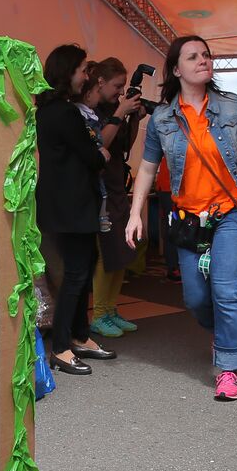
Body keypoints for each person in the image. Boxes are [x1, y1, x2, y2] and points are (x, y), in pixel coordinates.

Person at [126, 36, 237, 402]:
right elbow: (146, 168)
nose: (203, 60)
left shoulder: (231, 109)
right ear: (176, 70)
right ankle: (222, 335)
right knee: (195, 298)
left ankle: (229, 367)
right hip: (189, 219)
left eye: (206, 55)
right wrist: (135, 213)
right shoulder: (162, 118)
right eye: (193, 57)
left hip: (230, 214)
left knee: (225, 291)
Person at [35, 43, 117, 376]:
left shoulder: (50, 109)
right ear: (68, 72)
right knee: (75, 274)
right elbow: (92, 156)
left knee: (84, 268)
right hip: (70, 205)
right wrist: (101, 156)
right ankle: (62, 346)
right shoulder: (64, 112)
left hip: (68, 204)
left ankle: (80, 336)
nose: (88, 75)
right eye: (84, 69)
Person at [82, 57, 146, 339]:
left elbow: (123, 148)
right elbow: (100, 145)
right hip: (100, 189)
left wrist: (135, 118)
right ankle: (99, 314)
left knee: (123, 248)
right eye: (117, 86)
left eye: (123, 88)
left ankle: (109, 309)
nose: (120, 93)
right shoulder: (92, 111)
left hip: (118, 183)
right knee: (106, 252)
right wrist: (121, 111)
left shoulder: (114, 110)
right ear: (100, 82)